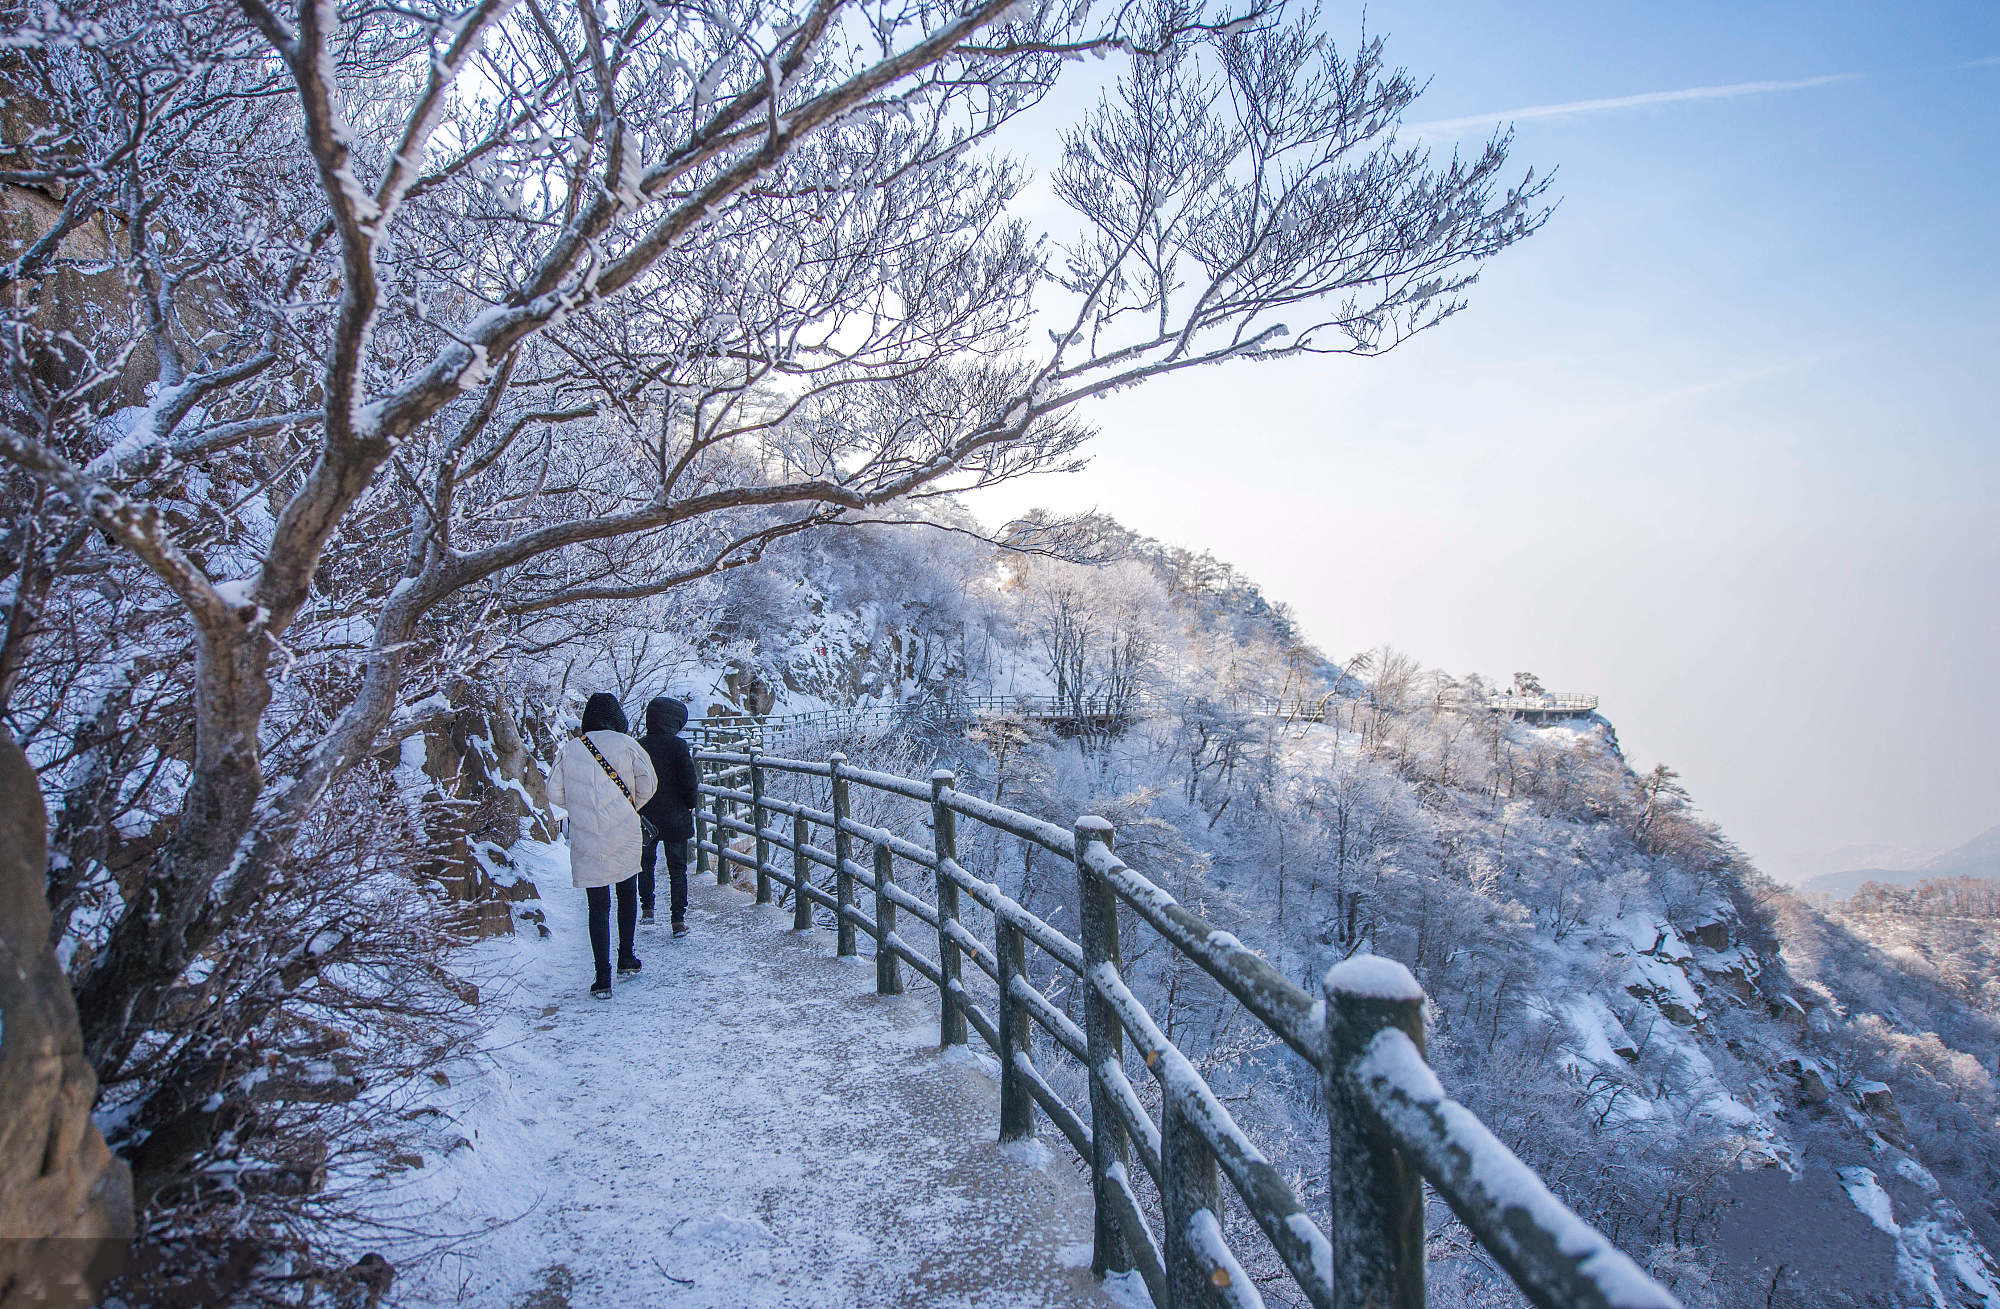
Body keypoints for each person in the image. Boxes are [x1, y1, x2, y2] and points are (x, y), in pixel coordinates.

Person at [546, 693, 657, 997]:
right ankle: (626, 957)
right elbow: (649, 784)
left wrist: (582, 805)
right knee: (626, 894)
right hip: (623, 832)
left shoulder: (571, 749)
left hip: (588, 835)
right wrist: (629, 805)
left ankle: (602, 977)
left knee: (597, 905)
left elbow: (554, 793)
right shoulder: (627, 744)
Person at [636, 697, 701, 935]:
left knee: (645, 863)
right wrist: (690, 804)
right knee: (677, 869)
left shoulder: (639, 745)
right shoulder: (678, 746)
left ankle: (648, 909)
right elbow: (689, 781)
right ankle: (677, 919)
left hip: (646, 816)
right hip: (675, 816)